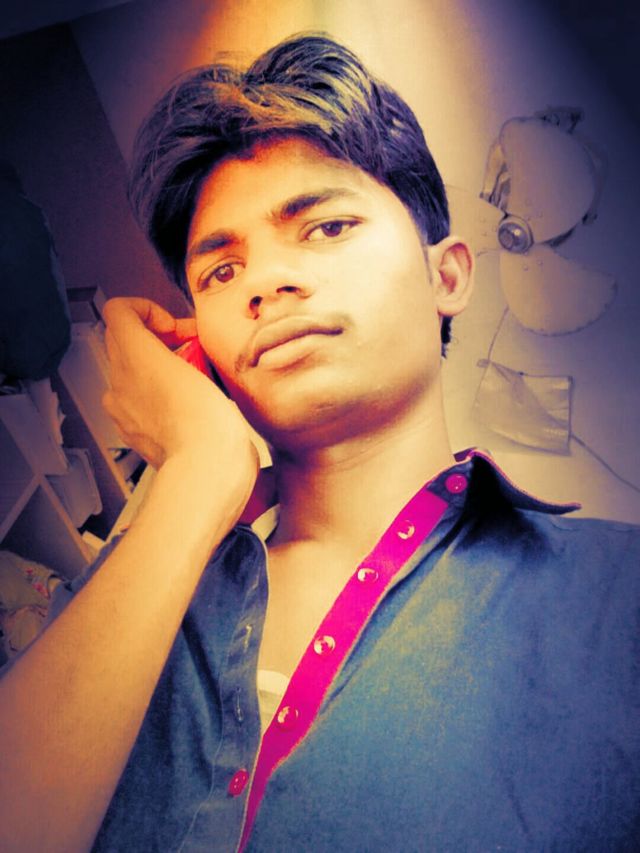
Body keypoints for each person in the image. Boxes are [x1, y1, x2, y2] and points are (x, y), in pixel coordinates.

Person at [1, 33, 638, 853]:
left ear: (446, 276)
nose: (266, 281)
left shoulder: (616, 600)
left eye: (327, 226)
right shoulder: (130, 592)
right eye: (221, 272)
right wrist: (199, 470)